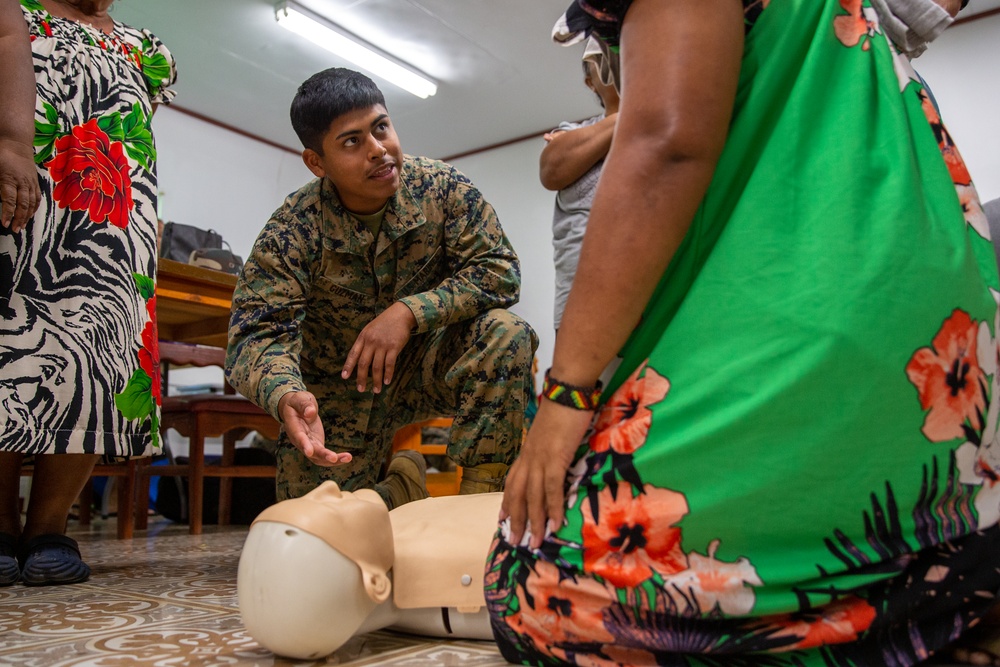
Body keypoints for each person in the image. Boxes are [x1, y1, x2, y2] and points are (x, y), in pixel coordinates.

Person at [490, 0, 1000, 664]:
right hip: (933, 315)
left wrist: (563, 402)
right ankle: (953, 579)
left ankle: (864, 626)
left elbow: (668, 143)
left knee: (526, 584)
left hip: (807, 318)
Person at [226, 68, 537, 508]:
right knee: (326, 531)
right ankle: (401, 490)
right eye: (352, 141)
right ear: (317, 162)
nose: (378, 150)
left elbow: (499, 270)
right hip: (336, 392)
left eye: (381, 127)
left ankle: (476, 504)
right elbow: (255, 337)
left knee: (505, 332)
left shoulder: (441, 189)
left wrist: (408, 313)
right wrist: (285, 394)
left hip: (425, 368)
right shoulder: (292, 230)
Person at [0, 0, 176, 587]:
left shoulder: (144, 47)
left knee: (97, 360)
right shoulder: (15, 12)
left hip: (115, 219)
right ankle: (0, 524)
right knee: (10, 351)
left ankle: (49, 528)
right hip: (24, 198)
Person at [238, 481, 499, 660]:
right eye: (332, 507)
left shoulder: (401, 523)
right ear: (376, 582)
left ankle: (402, 481)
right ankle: (402, 481)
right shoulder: (472, 563)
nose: (328, 486)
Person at [540, 35, 619, 334]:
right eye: (601, 60)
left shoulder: (659, 126)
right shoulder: (572, 132)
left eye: (619, 53)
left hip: (647, 286)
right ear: (590, 82)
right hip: (579, 298)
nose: (614, 63)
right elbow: (551, 171)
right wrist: (627, 117)